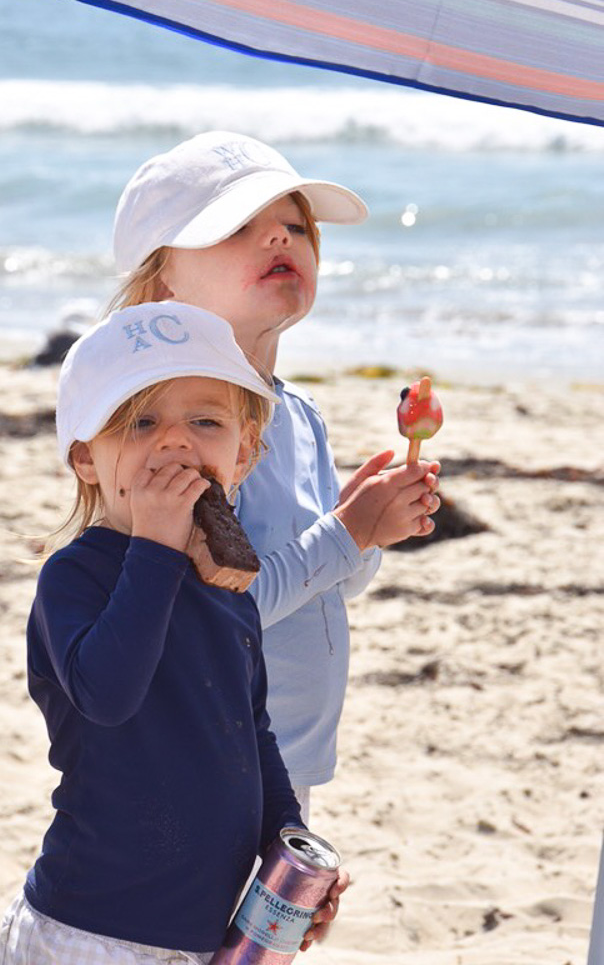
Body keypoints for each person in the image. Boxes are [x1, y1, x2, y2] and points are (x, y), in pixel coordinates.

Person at [0, 301, 347, 965]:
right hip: (91, 925)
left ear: (242, 455)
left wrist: (290, 843)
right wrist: (154, 546)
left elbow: (250, 734)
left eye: (205, 421)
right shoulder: (75, 577)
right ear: (86, 459)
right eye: (140, 421)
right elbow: (107, 696)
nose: (175, 442)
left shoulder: (228, 591)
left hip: (203, 932)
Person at [109, 131, 441, 824]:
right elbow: (221, 611)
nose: (278, 239)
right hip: (205, 755)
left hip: (288, 754)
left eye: (294, 225)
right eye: (240, 228)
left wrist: (364, 529)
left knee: (271, 933)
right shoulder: (178, 430)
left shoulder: (298, 413)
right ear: (164, 275)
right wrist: (347, 531)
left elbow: (335, 583)